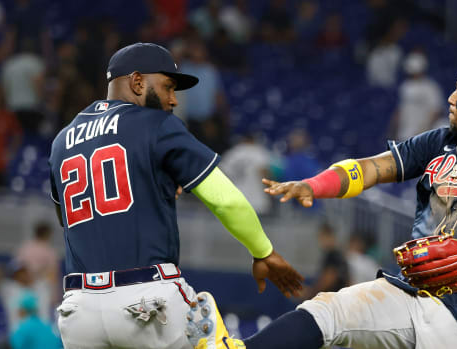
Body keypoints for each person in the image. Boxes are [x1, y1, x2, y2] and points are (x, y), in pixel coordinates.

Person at [195, 53, 457, 349]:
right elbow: (372, 168)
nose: (452, 98)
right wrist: (315, 184)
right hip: (410, 290)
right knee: (328, 311)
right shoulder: (439, 142)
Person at [47, 42, 303, 349]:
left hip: (79, 311)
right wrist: (263, 252)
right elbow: (226, 199)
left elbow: (69, 217)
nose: (173, 100)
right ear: (137, 81)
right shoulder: (156, 124)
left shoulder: (63, 140)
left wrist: (151, 187)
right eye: (168, 87)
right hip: (146, 302)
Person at [390, 49, 445, 141]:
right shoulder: (405, 86)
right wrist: (394, 129)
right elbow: (401, 110)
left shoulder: (430, 87)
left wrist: (424, 130)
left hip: (423, 133)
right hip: (405, 133)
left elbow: (436, 111)